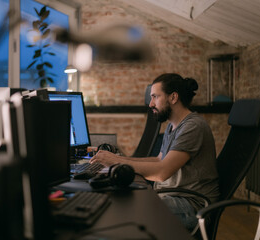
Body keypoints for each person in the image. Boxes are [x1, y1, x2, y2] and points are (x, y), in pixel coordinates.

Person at [90, 73, 219, 232]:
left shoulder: (193, 126)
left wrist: (117, 162)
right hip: (172, 197)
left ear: (173, 98)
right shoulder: (173, 126)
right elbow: (159, 160)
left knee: (123, 209)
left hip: (192, 206)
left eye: (155, 97)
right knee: (121, 201)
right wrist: (117, 158)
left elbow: (162, 172)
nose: (151, 104)